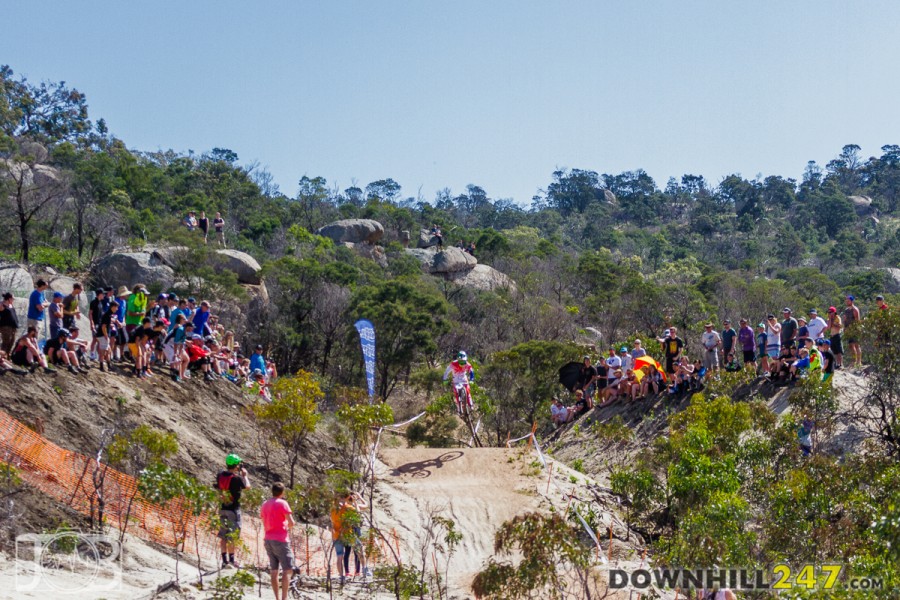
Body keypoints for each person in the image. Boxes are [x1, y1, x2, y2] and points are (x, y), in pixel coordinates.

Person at [261, 482, 295, 600]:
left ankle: (277, 597)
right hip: (281, 539)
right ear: (282, 492)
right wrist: (285, 525)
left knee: (274, 570)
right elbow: (291, 522)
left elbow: (263, 520)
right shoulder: (283, 503)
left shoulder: (265, 504)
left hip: (268, 538)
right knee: (288, 569)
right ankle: (284, 598)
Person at [216, 453, 251, 569]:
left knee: (223, 535)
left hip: (223, 508)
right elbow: (247, 487)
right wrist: (245, 475)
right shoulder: (237, 478)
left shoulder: (220, 475)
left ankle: (224, 561)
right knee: (232, 536)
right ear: (236, 465)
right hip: (233, 510)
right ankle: (231, 561)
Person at [331, 492, 369, 584]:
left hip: (336, 534)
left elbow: (331, 520)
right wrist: (356, 501)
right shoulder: (348, 508)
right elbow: (358, 513)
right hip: (348, 533)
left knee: (340, 556)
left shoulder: (333, 509)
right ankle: (364, 570)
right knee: (359, 549)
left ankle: (341, 576)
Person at [843, 295, 861, 368]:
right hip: (848, 329)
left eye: (848, 300)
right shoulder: (846, 310)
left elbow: (857, 320)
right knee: (850, 346)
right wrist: (845, 328)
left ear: (852, 301)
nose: (847, 302)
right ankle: (853, 361)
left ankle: (858, 362)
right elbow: (845, 320)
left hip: (854, 330)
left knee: (856, 345)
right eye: (846, 300)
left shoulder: (855, 309)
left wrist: (856, 329)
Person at [88, 288, 106, 360]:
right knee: (95, 339)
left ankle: (99, 356)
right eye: (102, 294)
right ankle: (92, 354)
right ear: (99, 294)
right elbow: (90, 313)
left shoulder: (100, 303)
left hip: (100, 323)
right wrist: (92, 323)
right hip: (95, 323)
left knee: (99, 340)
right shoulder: (93, 302)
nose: (104, 295)